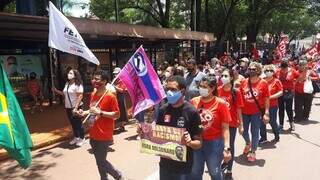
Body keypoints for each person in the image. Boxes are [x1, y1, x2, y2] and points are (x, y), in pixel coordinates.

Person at [150, 75, 203, 180]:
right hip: (165, 165)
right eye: (167, 89)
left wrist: (190, 142)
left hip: (183, 168)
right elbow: (157, 135)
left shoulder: (191, 112)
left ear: (183, 91)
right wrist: (145, 132)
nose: (169, 92)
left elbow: (199, 143)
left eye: (173, 89)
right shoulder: (162, 110)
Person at [78, 70, 123, 180]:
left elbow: (117, 114)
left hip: (104, 134)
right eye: (93, 78)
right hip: (93, 132)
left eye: (97, 79)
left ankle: (117, 175)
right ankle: (104, 178)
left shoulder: (110, 96)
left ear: (104, 81)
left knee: (101, 161)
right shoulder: (93, 94)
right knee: (99, 161)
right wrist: (83, 112)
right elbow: (93, 110)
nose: (94, 81)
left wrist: (101, 113)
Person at [190, 75, 232, 180]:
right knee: (195, 172)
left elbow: (225, 128)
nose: (202, 89)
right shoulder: (193, 101)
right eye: (200, 86)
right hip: (196, 142)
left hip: (214, 144)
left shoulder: (221, 104)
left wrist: (227, 148)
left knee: (214, 171)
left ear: (212, 89)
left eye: (205, 87)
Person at [240, 62, 270, 162]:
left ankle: (253, 151)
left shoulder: (263, 83)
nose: (251, 70)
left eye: (253, 69)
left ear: (258, 70)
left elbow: (266, 99)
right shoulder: (244, 82)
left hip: (256, 113)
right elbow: (240, 97)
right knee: (243, 131)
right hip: (244, 112)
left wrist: (266, 112)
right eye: (250, 69)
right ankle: (248, 143)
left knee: (255, 131)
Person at [218, 68, 244, 179]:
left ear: (231, 78)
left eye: (226, 76)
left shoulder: (236, 92)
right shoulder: (218, 90)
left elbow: (239, 109)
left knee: (229, 147)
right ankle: (221, 164)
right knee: (219, 147)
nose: (223, 78)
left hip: (231, 124)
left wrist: (241, 124)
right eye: (222, 76)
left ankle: (229, 170)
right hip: (218, 124)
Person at [52, 69, 85, 146]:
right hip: (68, 107)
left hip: (76, 106)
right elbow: (65, 94)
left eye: (71, 73)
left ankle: (82, 138)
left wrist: (76, 107)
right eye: (68, 73)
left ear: (75, 75)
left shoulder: (78, 84)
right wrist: (56, 91)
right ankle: (76, 137)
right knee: (73, 123)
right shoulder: (67, 83)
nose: (68, 74)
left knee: (78, 123)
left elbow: (80, 96)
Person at [260, 64, 282, 143]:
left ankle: (276, 134)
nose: (269, 72)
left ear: (273, 72)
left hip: (272, 105)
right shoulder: (261, 80)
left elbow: (280, 92)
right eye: (267, 71)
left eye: (271, 71)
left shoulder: (276, 81)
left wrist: (271, 97)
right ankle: (263, 137)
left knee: (272, 121)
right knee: (261, 122)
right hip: (262, 105)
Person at [276, 61, 299, 131]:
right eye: (282, 69)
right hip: (280, 93)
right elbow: (273, 78)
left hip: (289, 93)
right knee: (281, 109)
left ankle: (292, 124)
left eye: (285, 69)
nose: (283, 71)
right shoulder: (277, 71)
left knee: (289, 109)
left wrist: (295, 82)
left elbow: (299, 76)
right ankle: (281, 125)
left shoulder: (292, 71)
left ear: (287, 67)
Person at [113, 67, 128, 132]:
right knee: (115, 111)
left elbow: (122, 90)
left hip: (120, 97)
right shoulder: (114, 80)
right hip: (114, 97)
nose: (115, 75)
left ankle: (122, 126)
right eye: (115, 73)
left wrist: (114, 87)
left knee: (122, 111)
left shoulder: (122, 80)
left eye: (117, 73)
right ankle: (115, 126)